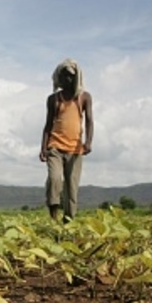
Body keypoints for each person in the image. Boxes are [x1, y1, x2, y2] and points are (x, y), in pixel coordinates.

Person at [39, 58, 93, 223]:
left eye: (70, 76)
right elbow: (48, 125)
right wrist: (43, 148)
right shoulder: (54, 99)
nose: (66, 80)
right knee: (55, 179)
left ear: (76, 78)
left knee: (71, 186)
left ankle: (68, 220)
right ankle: (53, 218)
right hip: (54, 146)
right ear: (59, 78)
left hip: (75, 149)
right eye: (63, 76)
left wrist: (88, 142)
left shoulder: (84, 97)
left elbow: (89, 121)